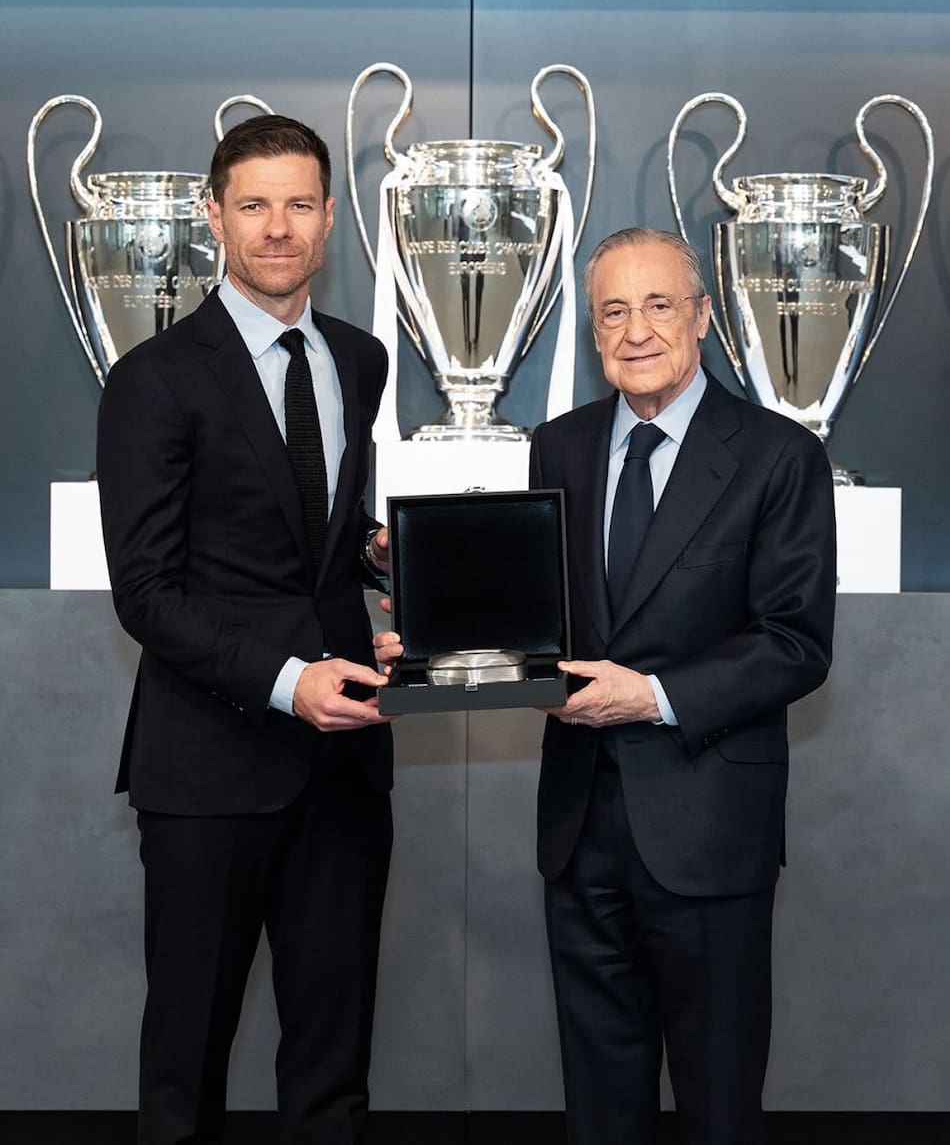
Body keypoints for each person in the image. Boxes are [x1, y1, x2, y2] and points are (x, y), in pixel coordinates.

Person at [376, 225, 837, 1145]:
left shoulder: (779, 455)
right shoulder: (562, 445)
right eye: (613, 311)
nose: (636, 331)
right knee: (600, 1102)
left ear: (703, 317)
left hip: (709, 830)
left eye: (659, 304)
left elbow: (795, 644)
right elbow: (546, 615)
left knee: (717, 1102)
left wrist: (653, 697)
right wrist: (439, 629)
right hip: (580, 830)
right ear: (591, 332)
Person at [97, 113, 396, 1145]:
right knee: (185, 1061)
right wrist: (285, 679)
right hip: (209, 764)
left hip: (346, 763)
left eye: (300, 204)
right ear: (215, 216)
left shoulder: (359, 362)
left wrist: (391, 582)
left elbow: (322, 532)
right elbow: (144, 589)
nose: (278, 226)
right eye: (255, 204)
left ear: (328, 220)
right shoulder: (154, 379)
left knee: (332, 1060)